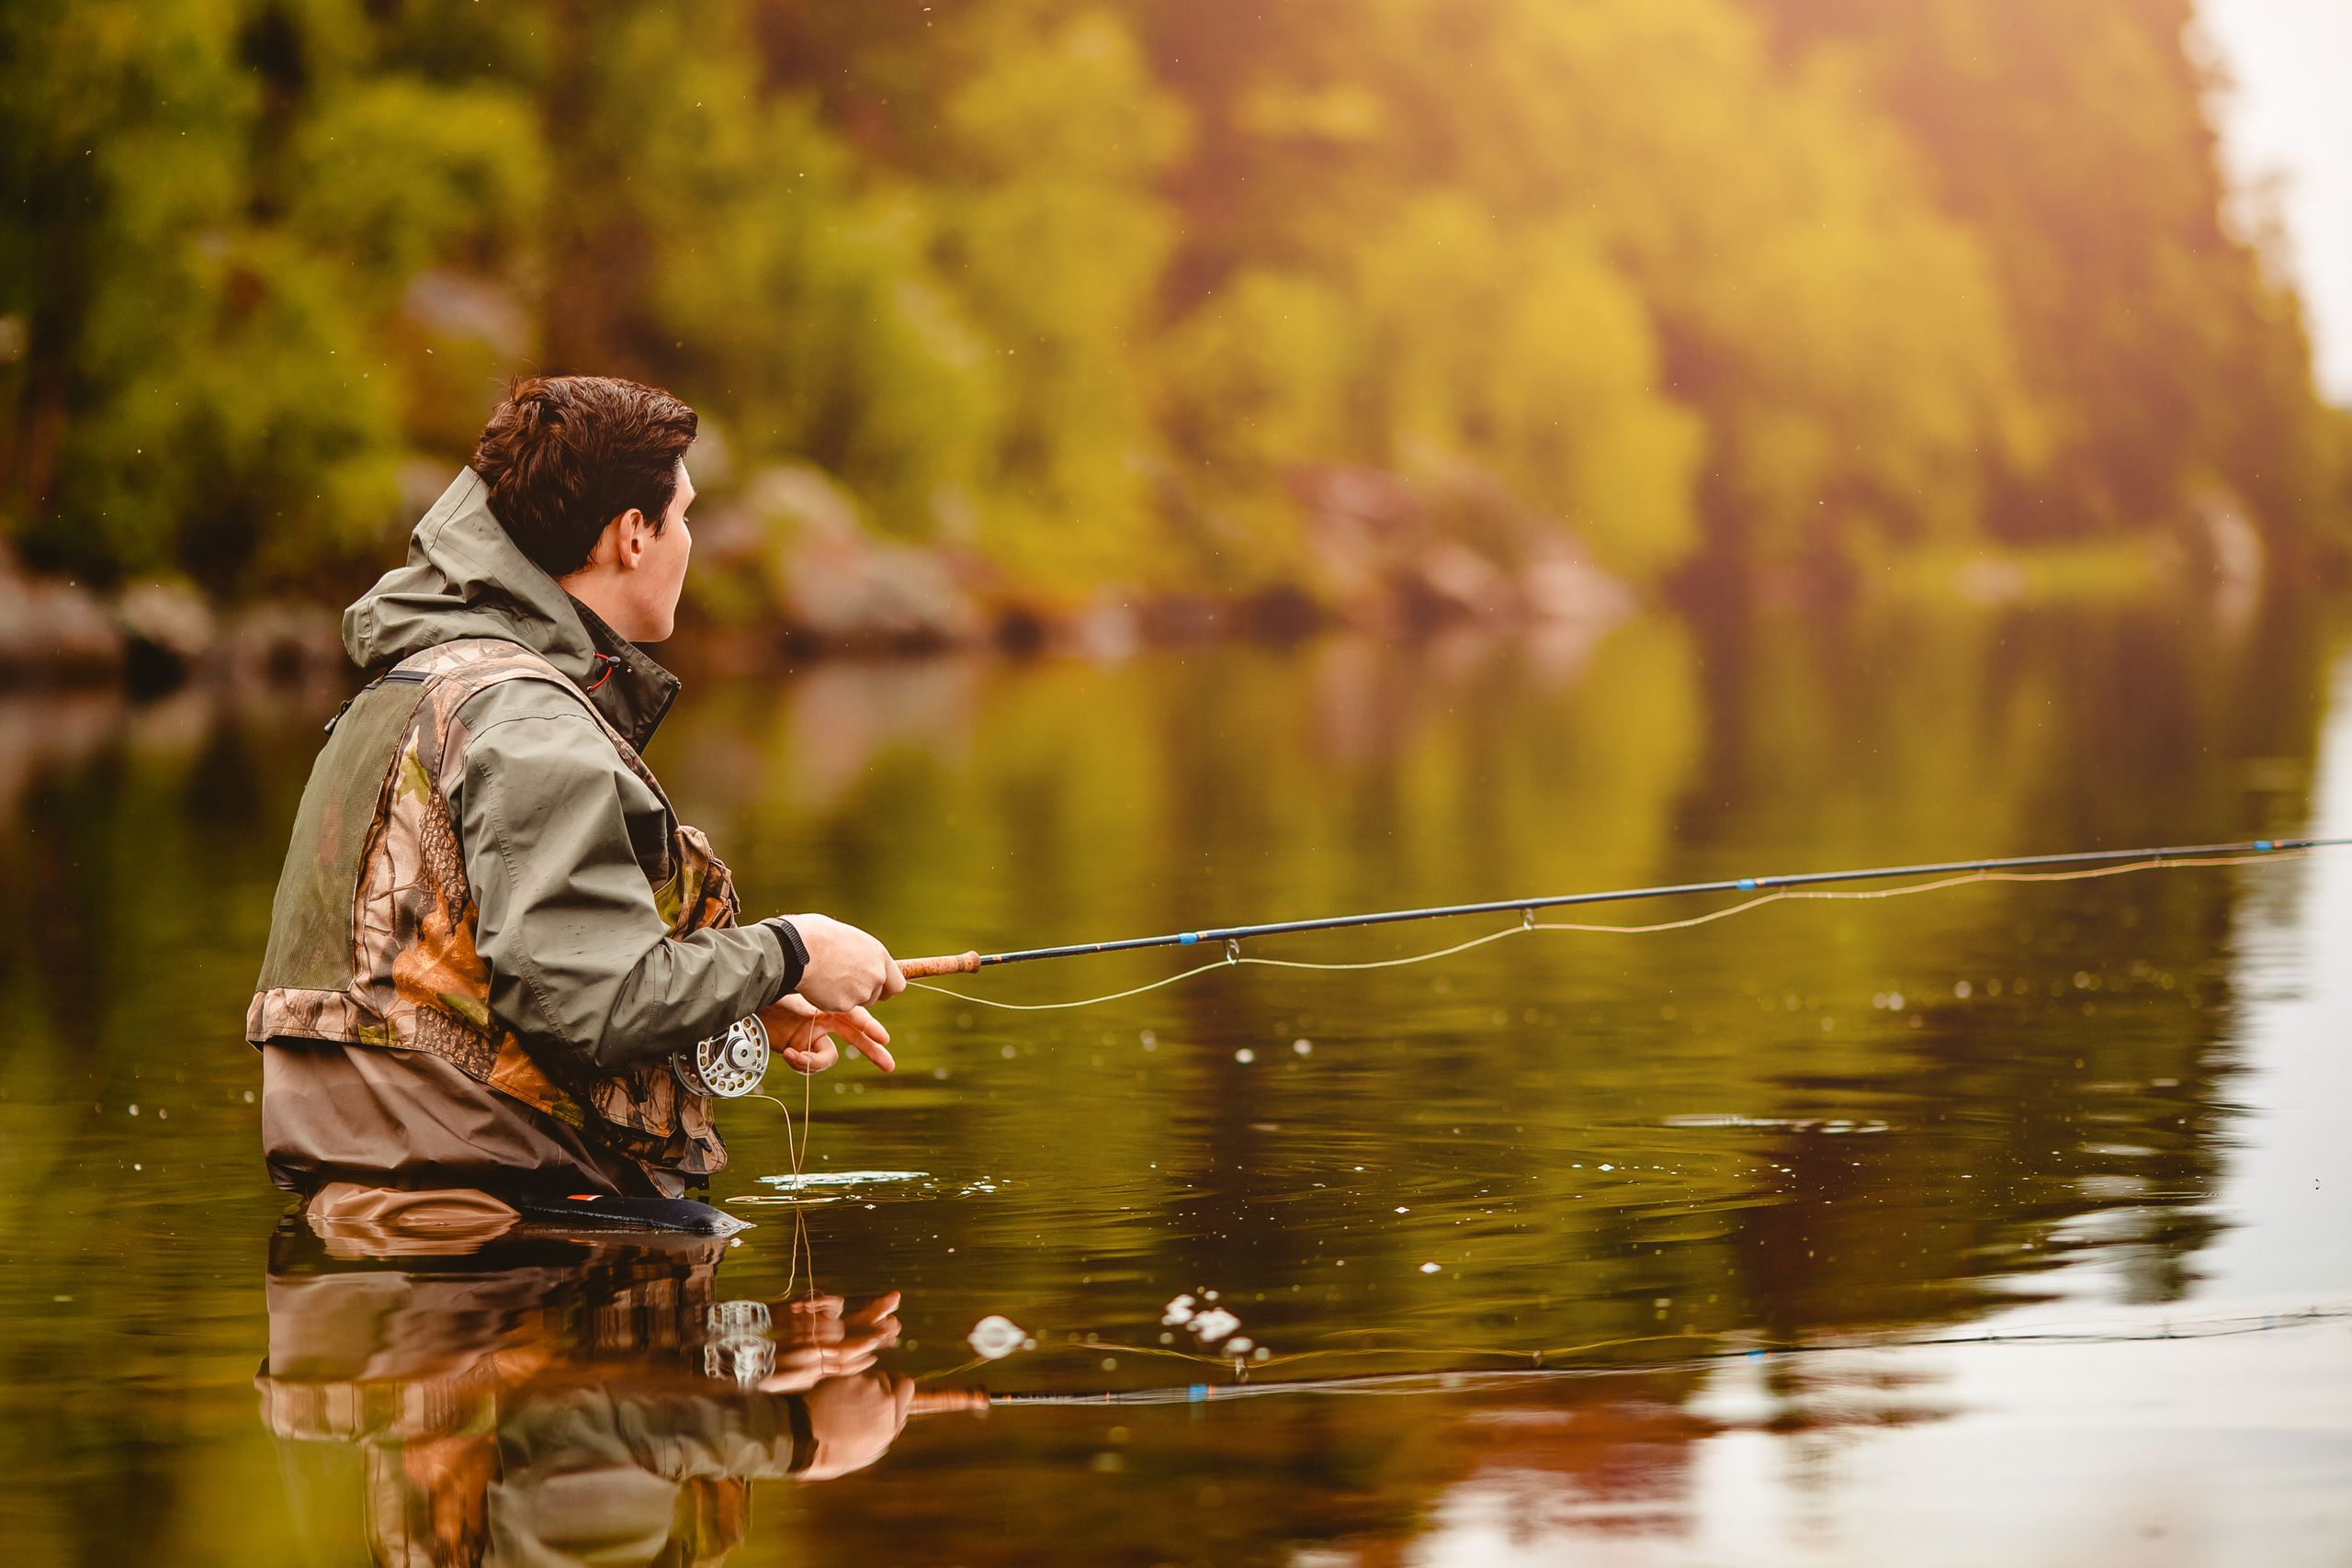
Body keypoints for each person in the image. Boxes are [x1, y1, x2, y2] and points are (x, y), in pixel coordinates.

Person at [248, 375, 904, 1212]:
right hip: (496, 1232)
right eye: (687, 515)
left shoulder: (418, 684)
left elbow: (488, 979)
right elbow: (590, 1005)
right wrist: (794, 949)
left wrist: (742, 999)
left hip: (394, 1203)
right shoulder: (527, 722)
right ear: (634, 534)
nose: (691, 540)